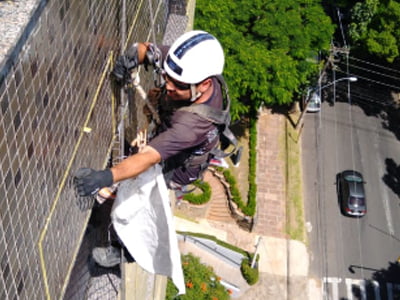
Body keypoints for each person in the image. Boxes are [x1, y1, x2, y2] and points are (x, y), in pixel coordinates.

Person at [74, 30, 234, 267]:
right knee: (130, 174)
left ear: (204, 85)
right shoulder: (189, 68)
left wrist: (106, 177)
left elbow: (149, 156)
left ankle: (125, 251)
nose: (167, 86)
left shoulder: (192, 126)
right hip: (171, 130)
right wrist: (131, 58)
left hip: (177, 167)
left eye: (176, 84)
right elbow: (147, 50)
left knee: (138, 198)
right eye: (167, 77)